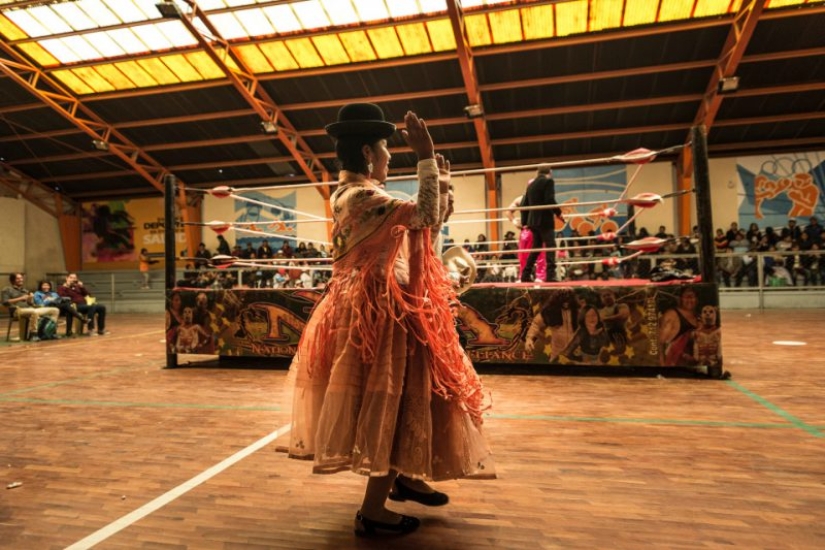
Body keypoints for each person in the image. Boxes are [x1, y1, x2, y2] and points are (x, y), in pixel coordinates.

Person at [285, 103, 493, 537]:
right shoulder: (361, 197)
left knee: (403, 393)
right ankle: (373, 510)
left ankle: (402, 475)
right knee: (393, 399)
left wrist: (440, 183)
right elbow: (422, 215)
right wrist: (425, 157)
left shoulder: (352, 195)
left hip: (380, 306)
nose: (389, 156)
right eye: (385, 148)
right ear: (367, 151)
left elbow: (423, 223)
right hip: (380, 315)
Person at [520, 165, 564, 282]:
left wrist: (525, 222)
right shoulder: (548, 181)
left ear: (538, 172)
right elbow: (549, 199)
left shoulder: (531, 185)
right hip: (544, 220)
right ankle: (550, 275)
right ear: (550, 172)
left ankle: (525, 274)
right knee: (551, 246)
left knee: (536, 247)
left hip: (533, 221)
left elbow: (525, 204)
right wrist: (559, 213)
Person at [1, 273, 60, 342]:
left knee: (55, 310)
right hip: (17, 310)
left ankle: (51, 332)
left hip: (30, 308)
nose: (21, 280)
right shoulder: (7, 289)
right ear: (12, 280)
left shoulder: (25, 290)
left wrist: (30, 299)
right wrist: (20, 298)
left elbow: (30, 303)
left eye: (21, 278)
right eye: (18, 278)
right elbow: (4, 302)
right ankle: (33, 334)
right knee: (34, 312)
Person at [658, 286, 699, 366]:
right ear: (681, 299)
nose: (689, 300)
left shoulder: (698, 317)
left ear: (697, 300)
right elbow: (660, 343)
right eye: (686, 297)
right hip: (672, 363)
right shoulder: (672, 315)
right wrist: (663, 366)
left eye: (692, 297)